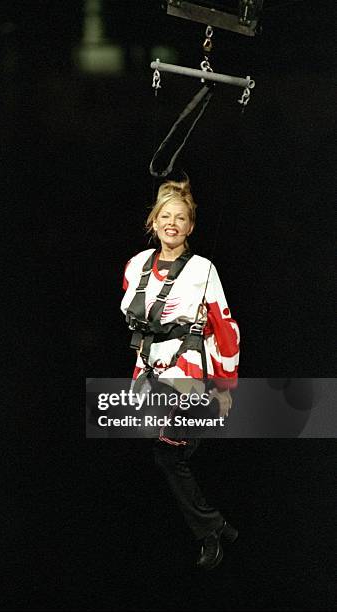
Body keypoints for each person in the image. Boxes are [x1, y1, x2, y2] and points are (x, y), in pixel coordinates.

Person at [120, 177, 240, 569]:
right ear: (153, 221)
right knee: (168, 457)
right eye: (165, 216)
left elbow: (225, 328)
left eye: (181, 218)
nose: (172, 223)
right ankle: (218, 526)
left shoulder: (203, 269)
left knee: (170, 454)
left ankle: (210, 535)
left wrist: (225, 388)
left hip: (188, 376)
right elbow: (139, 326)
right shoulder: (136, 265)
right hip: (148, 374)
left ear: (190, 226)